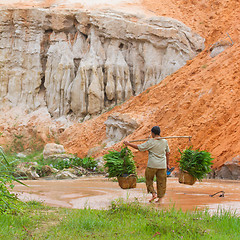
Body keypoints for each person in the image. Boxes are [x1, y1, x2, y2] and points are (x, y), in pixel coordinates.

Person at [123, 126, 170, 203]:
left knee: (149, 180)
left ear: (153, 133)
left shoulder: (151, 142)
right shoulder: (165, 141)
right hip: (162, 165)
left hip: (152, 165)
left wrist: (129, 144)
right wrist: (167, 164)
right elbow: (168, 153)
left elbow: (140, 148)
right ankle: (160, 199)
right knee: (162, 181)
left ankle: (153, 193)